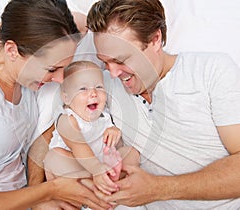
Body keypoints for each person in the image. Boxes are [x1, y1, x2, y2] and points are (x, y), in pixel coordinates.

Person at [0, 0, 111, 209]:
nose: (59, 79)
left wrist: (5, 28)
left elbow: (85, 24)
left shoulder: (26, 83)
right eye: (51, 69)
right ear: (12, 51)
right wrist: (50, 191)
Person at [86, 0, 240, 209]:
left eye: (121, 60)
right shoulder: (102, 88)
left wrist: (159, 188)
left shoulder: (211, 71)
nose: (113, 73)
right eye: (105, 62)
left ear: (155, 39)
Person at [43, 61, 140, 195]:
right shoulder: (67, 119)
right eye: (83, 89)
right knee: (53, 158)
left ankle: (110, 182)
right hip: (76, 170)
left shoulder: (104, 115)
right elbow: (79, 147)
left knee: (131, 152)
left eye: (99, 87)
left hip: (100, 166)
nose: (94, 93)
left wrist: (114, 132)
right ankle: (96, 187)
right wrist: (96, 169)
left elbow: (114, 147)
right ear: (66, 98)